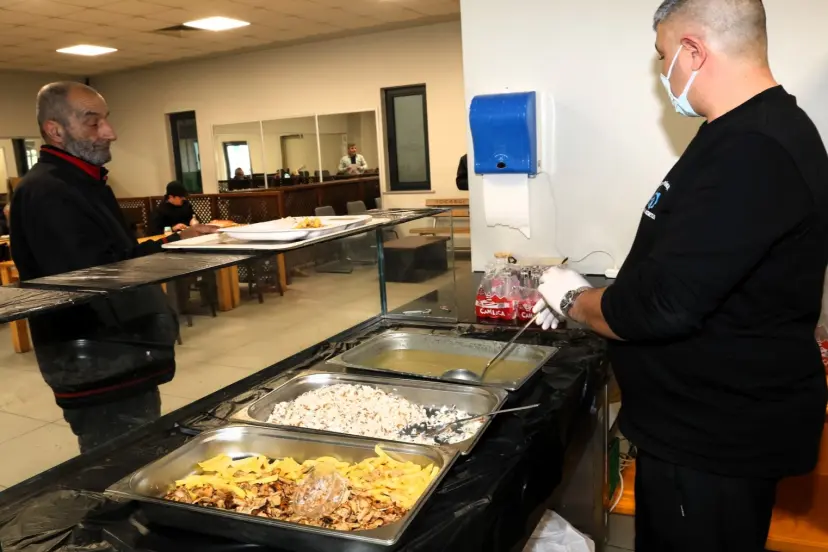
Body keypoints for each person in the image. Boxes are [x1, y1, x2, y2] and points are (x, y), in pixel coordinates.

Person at [533, 1, 828, 550]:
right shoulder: (741, 132)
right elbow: (692, 261)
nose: (663, 70)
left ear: (693, 51)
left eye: (663, 55)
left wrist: (575, 299)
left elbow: (662, 304)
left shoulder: (754, 149)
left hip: (713, 440)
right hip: (701, 426)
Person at [11, 82, 216, 453]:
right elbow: (94, 278)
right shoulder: (47, 191)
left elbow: (117, 255)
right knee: (119, 462)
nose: (110, 132)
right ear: (55, 130)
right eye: (94, 123)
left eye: (106, 120)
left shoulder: (85, 183)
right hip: (97, 359)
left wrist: (176, 241)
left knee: (141, 449)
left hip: (122, 353)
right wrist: (172, 250)